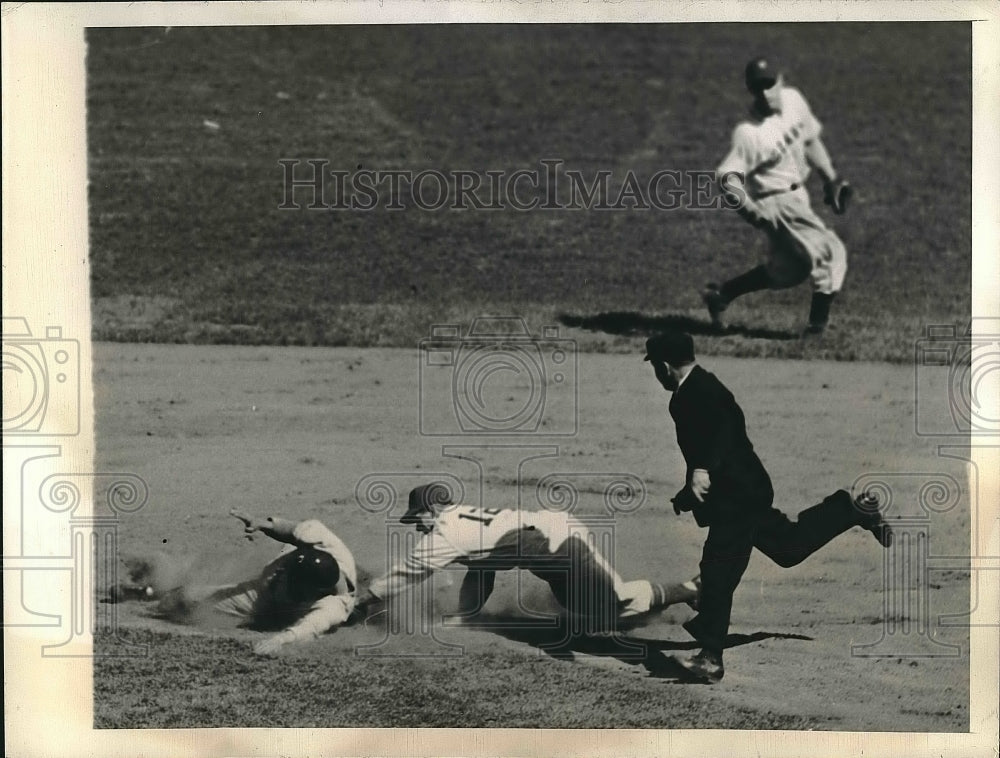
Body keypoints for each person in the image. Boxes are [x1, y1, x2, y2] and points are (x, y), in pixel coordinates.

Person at [643, 331, 892, 683]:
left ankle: (710, 657)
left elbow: (727, 429)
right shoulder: (692, 391)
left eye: (655, 367)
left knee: (718, 567)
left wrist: (702, 470)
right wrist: (689, 491)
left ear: (664, 367)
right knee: (788, 548)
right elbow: (708, 442)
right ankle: (851, 510)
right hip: (744, 489)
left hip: (739, 497)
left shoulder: (702, 391)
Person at [352, 483, 699, 636]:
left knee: (616, 600)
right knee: (579, 606)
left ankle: (691, 588)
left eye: (418, 520)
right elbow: (481, 569)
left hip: (559, 544)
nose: (417, 527)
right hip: (550, 538)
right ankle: (670, 602)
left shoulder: (444, 534)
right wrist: (465, 617)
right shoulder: (462, 516)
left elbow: (399, 578)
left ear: (431, 511)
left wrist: (357, 602)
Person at [705, 56, 853, 336]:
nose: (765, 92)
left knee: (789, 270)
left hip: (799, 196)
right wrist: (750, 209)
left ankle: (720, 295)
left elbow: (810, 141)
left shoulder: (794, 100)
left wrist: (830, 178)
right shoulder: (749, 132)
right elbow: (726, 177)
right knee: (831, 253)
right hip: (776, 203)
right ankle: (816, 333)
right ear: (750, 89)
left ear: (781, 80)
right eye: (757, 87)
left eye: (769, 84)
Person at [153, 509, 358, 656]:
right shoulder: (329, 546)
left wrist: (279, 641)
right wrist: (264, 524)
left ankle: (158, 598)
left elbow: (310, 628)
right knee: (185, 596)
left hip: (266, 600)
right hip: (279, 577)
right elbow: (293, 530)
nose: (285, 575)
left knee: (190, 599)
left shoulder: (334, 606)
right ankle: (151, 591)